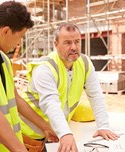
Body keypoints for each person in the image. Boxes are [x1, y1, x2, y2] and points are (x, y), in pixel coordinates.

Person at [20, 23, 119, 152]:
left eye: (77, 41)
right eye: (67, 43)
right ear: (56, 45)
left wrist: (103, 126)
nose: (74, 47)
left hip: (52, 135)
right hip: (27, 136)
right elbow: (50, 103)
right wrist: (65, 133)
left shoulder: (84, 62)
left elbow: (95, 95)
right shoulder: (45, 68)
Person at [0, 1, 58, 152]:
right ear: (5, 31)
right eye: (20, 36)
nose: (19, 44)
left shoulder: (3, 59)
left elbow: (16, 99)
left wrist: (45, 126)